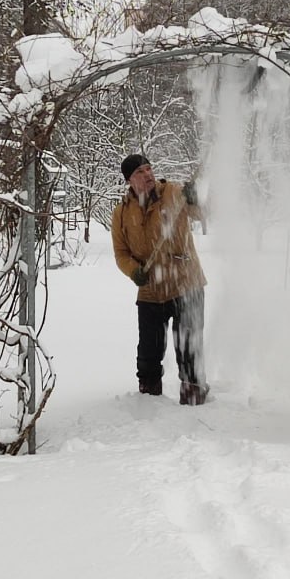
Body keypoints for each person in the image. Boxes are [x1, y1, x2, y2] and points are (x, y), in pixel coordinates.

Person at [110, 153, 209, 405]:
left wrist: (196, 199)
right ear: (129, 180)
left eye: (149, 169)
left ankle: (194, 392)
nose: (148, 175)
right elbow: (121, 253)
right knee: (148, 352)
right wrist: (134, 271)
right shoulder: (122, 212)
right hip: (151, 289)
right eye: (140, 172)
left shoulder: (173, 193)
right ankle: (149, 398)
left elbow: (202, 213)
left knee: (188, 344)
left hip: (186, 282)